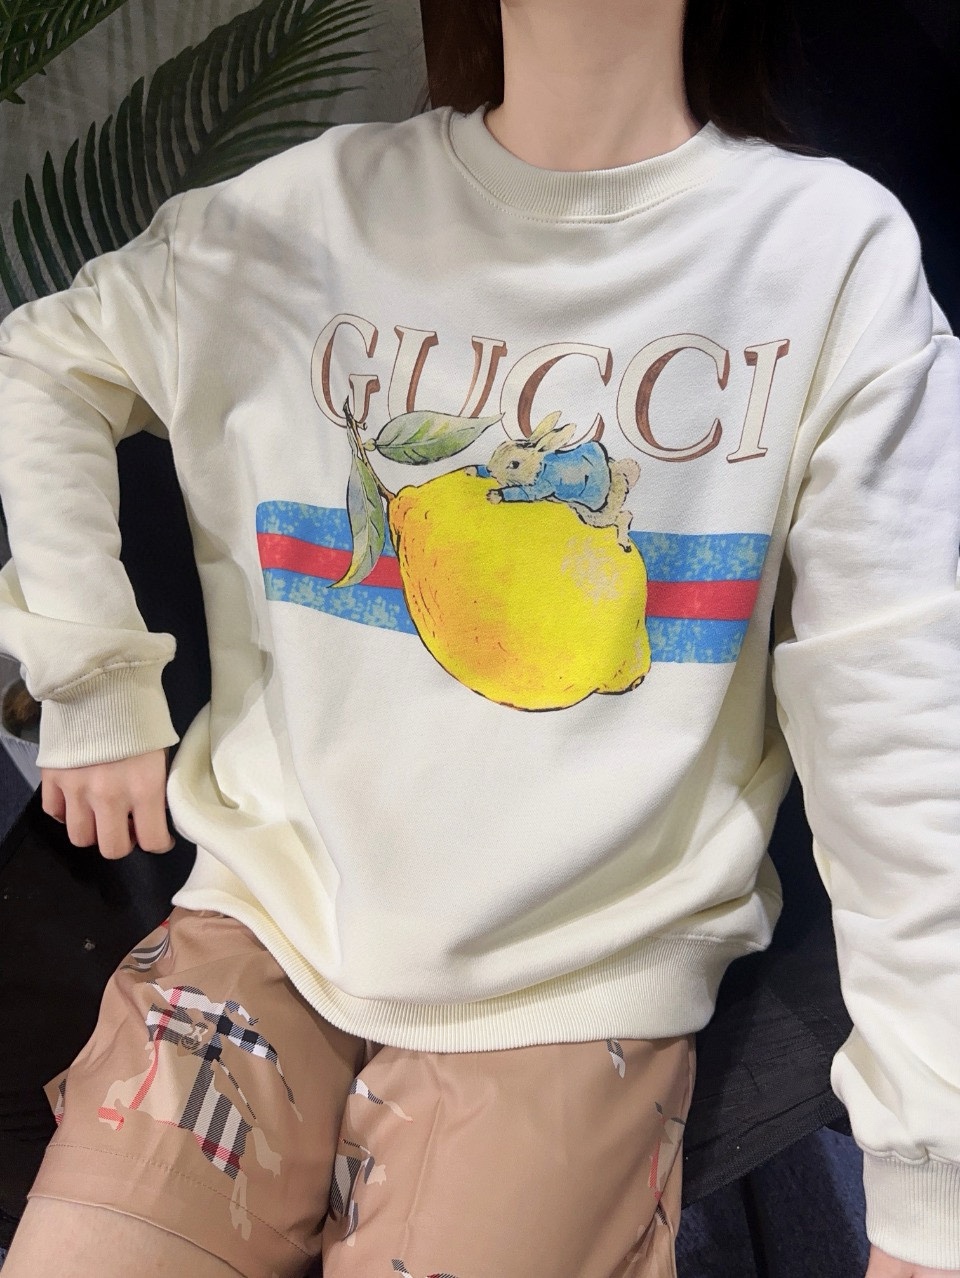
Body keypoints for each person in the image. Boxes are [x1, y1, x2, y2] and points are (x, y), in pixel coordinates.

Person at [0, 0, 958, 1274]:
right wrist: (91, 671)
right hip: (262, 919)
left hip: (573, 981)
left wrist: (929, 1180)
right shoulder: (297, 213)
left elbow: (896, 724)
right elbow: (42, 362)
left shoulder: (826, 257)